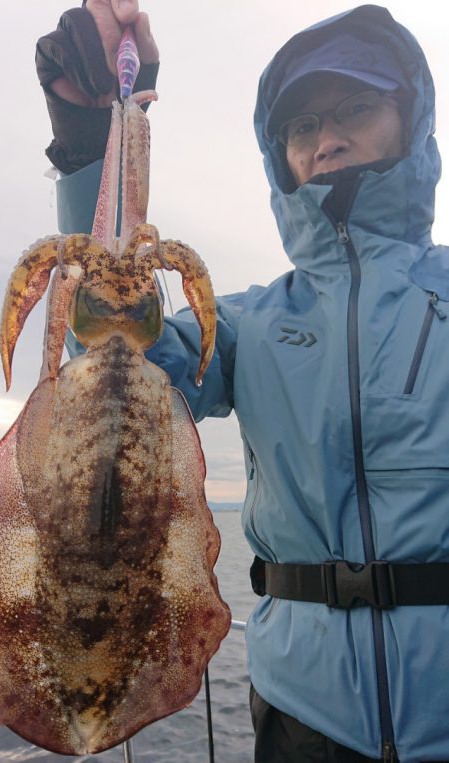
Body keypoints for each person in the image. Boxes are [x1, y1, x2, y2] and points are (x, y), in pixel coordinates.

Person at [36, 3, 449, 761]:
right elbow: (120, 371)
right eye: (301, 126)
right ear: (280, 155)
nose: (327, 138)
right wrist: (93, 143)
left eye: (356, 107)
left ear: (411, 118)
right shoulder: (249, 322)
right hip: (299, 717)